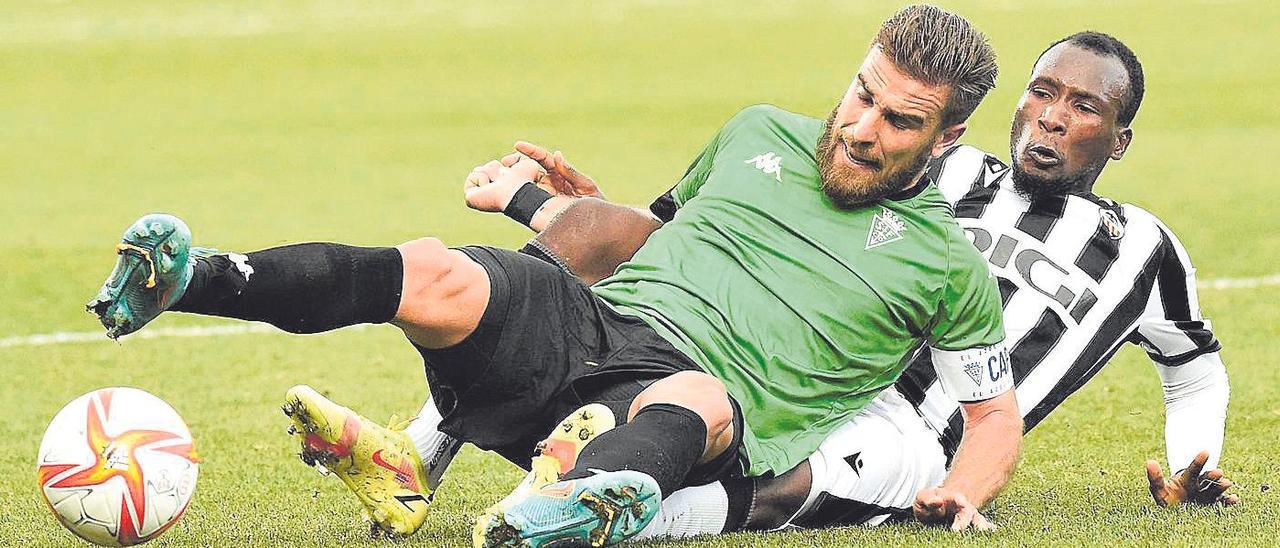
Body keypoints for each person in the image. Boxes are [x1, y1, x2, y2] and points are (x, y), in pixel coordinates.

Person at [87, 5, 1019, 546]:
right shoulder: (757, 132)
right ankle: (191, 278)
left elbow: (992, 415)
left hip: (687, 395)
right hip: (591, 324)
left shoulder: (946, 265)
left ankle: (559, 509)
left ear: (947, 137)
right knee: (436, 270)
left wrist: (964, 490)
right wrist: (581, 207)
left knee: (698, 399)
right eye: (862, 93)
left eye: (900, 122)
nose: (861, 128)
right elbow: (657, 235)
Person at [468, 31, 1235, 539]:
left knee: (792, 481)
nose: (1051, 117)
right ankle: (436, 451)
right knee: (556, 305)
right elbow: (735, 226)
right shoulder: (938, 168)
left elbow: (1194, 374)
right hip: (803, 370)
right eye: (1042, 92)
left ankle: (578, 508)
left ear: (1119, 139)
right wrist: (587, 213)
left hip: (926, 432)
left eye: (1083, 106)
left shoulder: (1143, 248)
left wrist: (1193, 461)